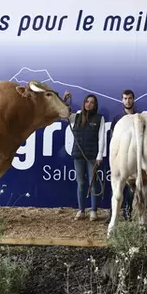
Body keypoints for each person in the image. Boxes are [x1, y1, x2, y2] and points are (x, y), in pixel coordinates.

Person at [63, 91, 105, 222]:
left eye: (92, 102)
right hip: (78, 154)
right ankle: (81, 211)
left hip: (92, 156)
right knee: (81, 183)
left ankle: (93, 211)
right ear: (84, 103)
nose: (89, 104)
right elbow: (64, 114)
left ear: (95, 105)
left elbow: (101, 137)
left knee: (93, 184)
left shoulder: (99, 118)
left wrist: (100, 155)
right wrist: (65, 99)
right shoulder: (76, 116)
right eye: (87, 101)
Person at [106, 89, 138, 223]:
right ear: (122, 100)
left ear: (133, 100)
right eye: (125, 98)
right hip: (119, 157)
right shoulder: (117, 118)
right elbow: (113, 138)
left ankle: (128, 211)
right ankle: (113, 213)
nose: (128, 101)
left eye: (130, 98)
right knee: (116, 185)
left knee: (131, 186)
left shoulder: (138, 117)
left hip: (133, 157)